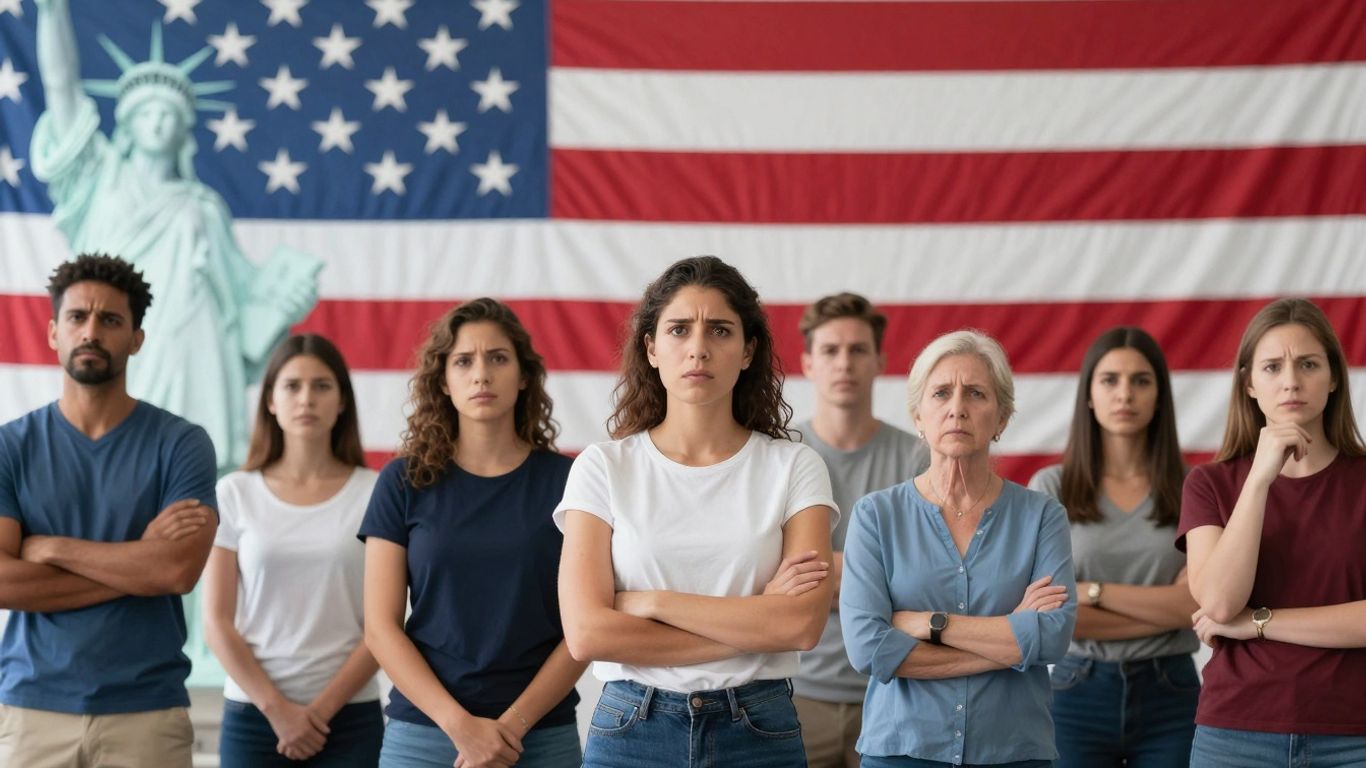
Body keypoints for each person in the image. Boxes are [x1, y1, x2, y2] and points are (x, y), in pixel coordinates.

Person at [556, 255, 837, 768]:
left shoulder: (794, 466)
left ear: (748, 351)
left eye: (720, 330)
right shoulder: (603, 467)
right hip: (631, 731)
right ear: (652, 348)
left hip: (758, 730)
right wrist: (755, 621)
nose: (699, 348)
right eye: (679, 329)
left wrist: (651, 602)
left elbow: (799, 626)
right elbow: (587, 633)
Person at [32, 0, 317, 474]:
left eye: (169, 113)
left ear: (184, 130)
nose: (158, 121)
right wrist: (51, 12)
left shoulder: (204, 205)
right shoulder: (100, 178)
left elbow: (241, 301)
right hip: (122, 330)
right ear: (127, 124)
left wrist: (283, 302)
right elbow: (61, 87)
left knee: (196, 462)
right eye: (147, 112)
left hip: (196, 342)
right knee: (118, 454)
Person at [0, 253, 217, 767]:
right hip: (32, 710)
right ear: (54, 332)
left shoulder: (181, 444)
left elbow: (176, 570)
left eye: (111, 320)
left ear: (136, 339)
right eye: (78, 317)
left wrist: (53, 548)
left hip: (147, 711)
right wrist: (140, 562)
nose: (91, 332)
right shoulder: (11, 447)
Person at [361, 298, 585, 768]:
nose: (481, 374)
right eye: (464, 361)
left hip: (539, 735)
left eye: (498, 358)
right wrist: (461, 727)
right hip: (424, 733)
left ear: (523, 376)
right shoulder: (402, 481)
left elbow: (585, 624)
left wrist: (511, 728)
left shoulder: (570, 482)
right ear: (443, 380)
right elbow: (380, 628)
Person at [841, 329, 1076, 768]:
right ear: (918, 416)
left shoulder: (1042, 515)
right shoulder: (875, 515)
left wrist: (930, 624)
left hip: (1012, 753)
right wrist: (1011, 638)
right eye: (941, 393)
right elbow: (869, 650)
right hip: (901, 751)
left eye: (976, 393)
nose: (957, 408)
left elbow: (1051, 638)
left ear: (1001, 418)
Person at [1180, 298, 1366, 767]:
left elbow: (1233, 617)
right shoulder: (1209, 484)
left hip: (1354, 734)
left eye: (1308, 364)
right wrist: (1259, 480)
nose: (1291, 381)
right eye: (1272, 367)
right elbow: (1220, 604)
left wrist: (1257, 622)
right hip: (1235, 735)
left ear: (1334, 377)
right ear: (1249, 384)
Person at [204, 334, 382, 767]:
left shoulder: (375, 492)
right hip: (254, 715)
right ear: (270, 400)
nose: (306, 399)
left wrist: (318, 714)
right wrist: (278, 712)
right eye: (292, 386)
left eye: (321, 386)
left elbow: (384, 622)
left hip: (350, 717)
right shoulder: (234, 493)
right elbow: (216, 621)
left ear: (342, 401)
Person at [1028, 327, 1199, 768]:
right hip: (1076, 691)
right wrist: (1166, 609)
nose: (1125, 394)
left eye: (1141, 380)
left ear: (1159, 396)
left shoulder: (1194, 487)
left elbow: (1196, 606)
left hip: (1171, 692)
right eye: (1110, 380)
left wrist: (1089, 591)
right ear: (1088, 394)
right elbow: (1053, 618)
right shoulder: (1051, 487)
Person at [793, 292, 930, 768]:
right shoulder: (780, 456)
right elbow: (765, 577)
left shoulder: (919, 458)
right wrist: (876, 578)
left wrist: (819, 576)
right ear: (808, 364)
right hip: (794, 692)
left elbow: (926, 582)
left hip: (895, 687)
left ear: (880, 362)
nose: (844, 363)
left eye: (857, 350)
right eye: (830, 350)